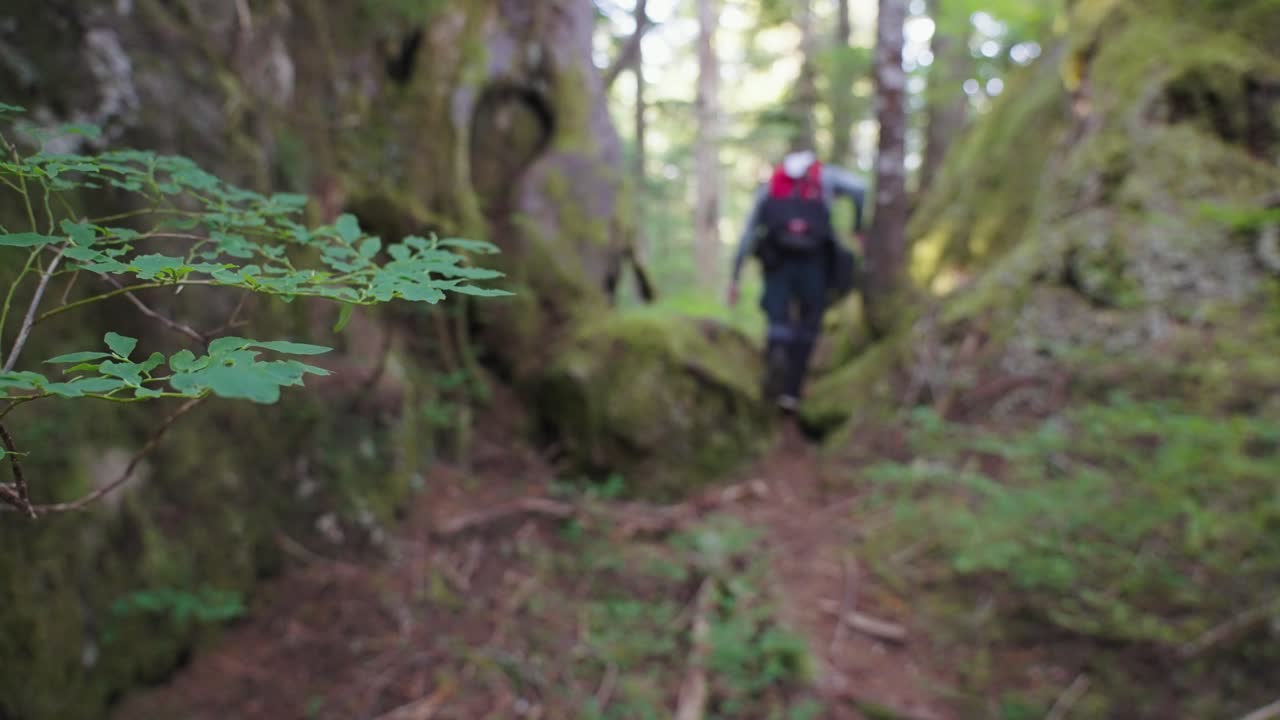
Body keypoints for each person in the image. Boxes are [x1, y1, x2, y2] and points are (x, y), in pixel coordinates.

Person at [727, 149, 867, 412]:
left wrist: (734, 278)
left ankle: (775, 365)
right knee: (809, 322)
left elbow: (748, 234)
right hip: (815, 262)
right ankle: (791, 390)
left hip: (777, 263)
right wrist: (858, 229)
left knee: (777, 319)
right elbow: (860, 190)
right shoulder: (824, 179)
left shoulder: (771, 188)